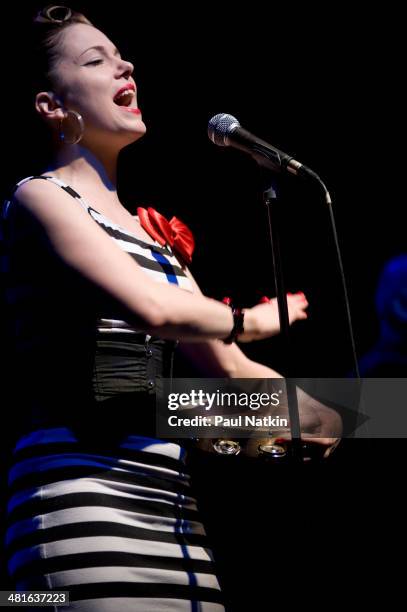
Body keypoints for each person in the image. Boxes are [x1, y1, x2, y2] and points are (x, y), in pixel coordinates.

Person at [1, 5, 325, 610]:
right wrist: (246, 320)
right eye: (96, 60)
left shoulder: (153, 235)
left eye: (121, 55)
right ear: (51, 105)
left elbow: (229, 378)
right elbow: (151, 309)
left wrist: (354, 415)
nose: (124, 65)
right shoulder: (40, 199)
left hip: (172, 516)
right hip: (80, 500)